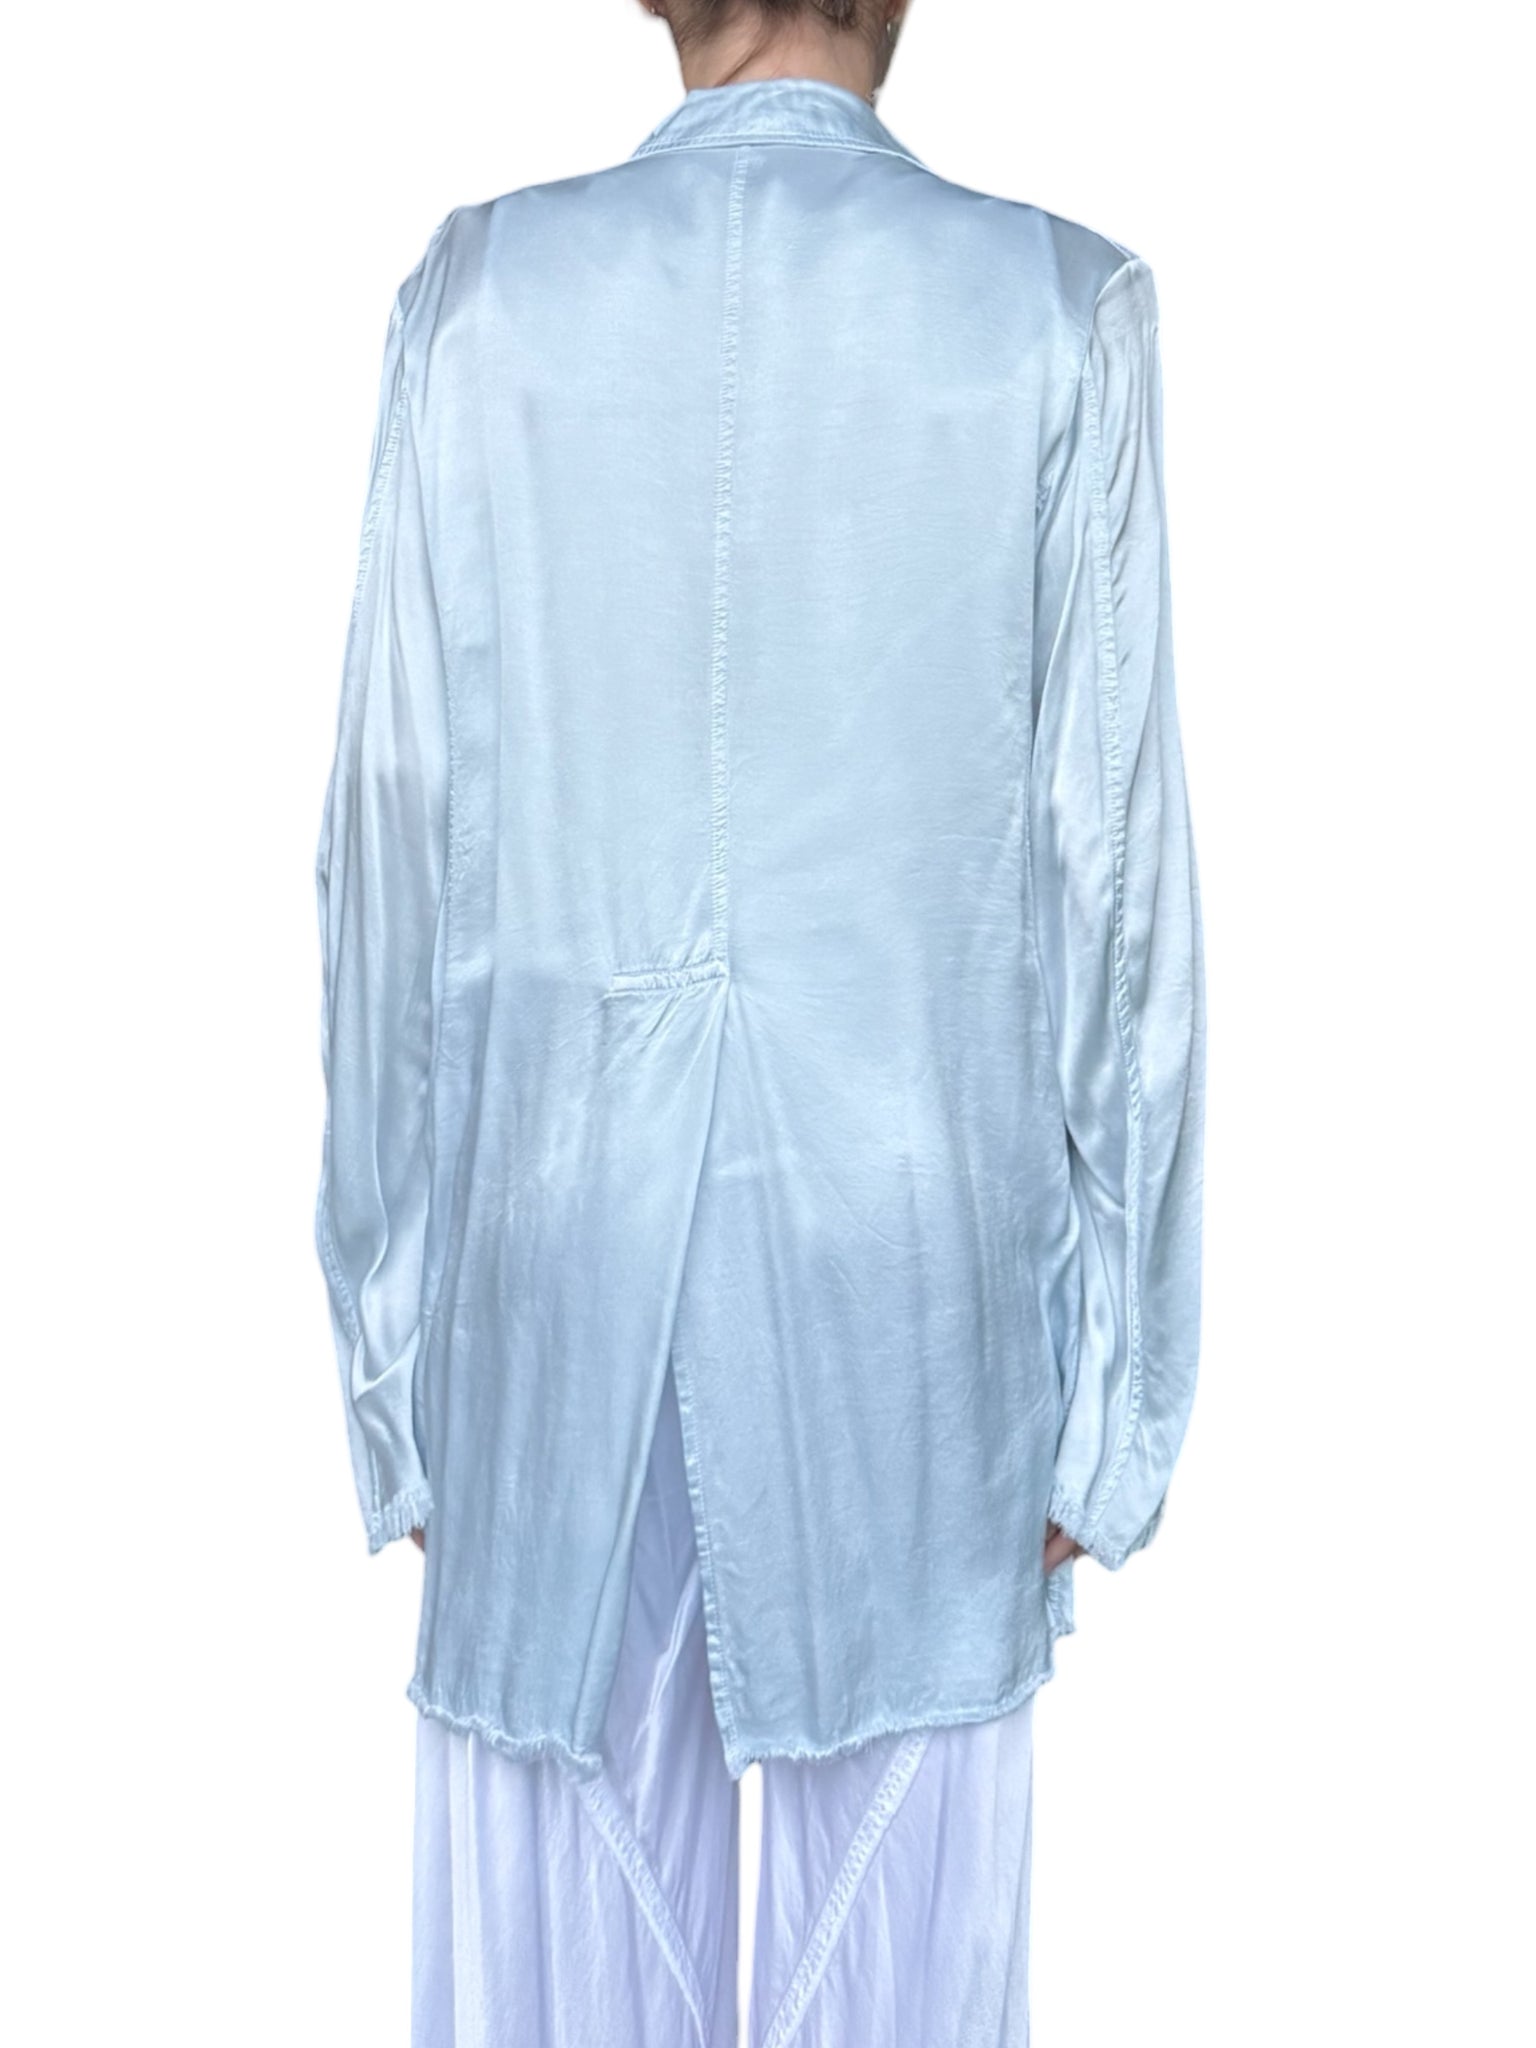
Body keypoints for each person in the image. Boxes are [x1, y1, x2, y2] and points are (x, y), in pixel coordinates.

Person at [312, 1, 1207, 2041]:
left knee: (556, 1941)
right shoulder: (1052, 313)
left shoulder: (480, 298)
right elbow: (1117, 892)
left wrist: (389, 1351)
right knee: (896, 1946)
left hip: (550, 1262)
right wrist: (1118, 1403)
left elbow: (386, 839)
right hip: (911, 1286)